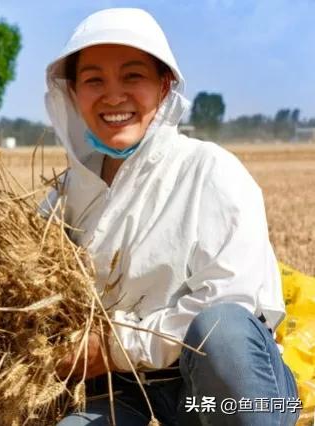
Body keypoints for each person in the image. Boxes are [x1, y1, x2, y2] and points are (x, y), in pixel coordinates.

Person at [41, 8, 300, 426]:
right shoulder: (62, 198)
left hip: (216, 389)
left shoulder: (209, 170)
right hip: (120, 391)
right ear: (71, 93)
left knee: (223, 328)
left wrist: (110, 346)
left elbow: (229, 308)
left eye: (132, 76)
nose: (113, 95)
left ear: (164, 86)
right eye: (93, 80)